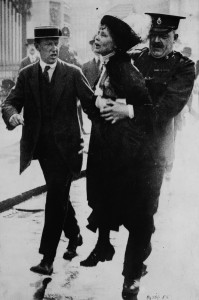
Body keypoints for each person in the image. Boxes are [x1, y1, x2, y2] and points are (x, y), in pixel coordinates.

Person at [97, 13, 195, 297]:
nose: (157, 41)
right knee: (130, 214)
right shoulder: (135, 59)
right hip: (124, 151)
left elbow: (166, 109)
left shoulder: (183, 68)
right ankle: (142, 247)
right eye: (154, 35)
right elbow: (110, 90)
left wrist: (128, 110)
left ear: (174, 39)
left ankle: (130, 278)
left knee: (143, 214)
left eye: (164, 37)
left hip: (155, 154)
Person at [1, 26, 98, 276]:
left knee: (54, 197)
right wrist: (11, 116)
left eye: (56, 44)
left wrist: (111, 123)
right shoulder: (27, 75)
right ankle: (75, 235)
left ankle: (47, 257)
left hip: (68, 149)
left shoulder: (73, 73)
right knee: (59, 194)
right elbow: (10, 103)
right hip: (42, 150)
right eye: (48, 45)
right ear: (38, 48)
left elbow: (91, 106)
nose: (54, 49)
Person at [79, 14, 154, 297]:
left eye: (104, 34)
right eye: (98, 32)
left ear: (117, 43)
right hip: (105, 146)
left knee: (129, 208)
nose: (98, 38)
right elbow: (100, 102)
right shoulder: (107, 66)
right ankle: (103, 245)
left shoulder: (124, 69)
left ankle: (128, 268)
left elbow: (146, 109)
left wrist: (125, 112)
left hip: (123, 152)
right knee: (102, 196)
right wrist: (97, 104)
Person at [59, 26, 86, 134]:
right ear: (60, 39)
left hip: (73, 82)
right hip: (62, 83)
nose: (65, 40)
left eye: (67, 38)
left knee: (77, 106)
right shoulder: (58, 51)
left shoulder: (73, 51)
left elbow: (78, 64)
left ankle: (81, 128)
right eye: (64, 38)